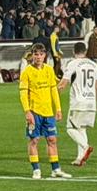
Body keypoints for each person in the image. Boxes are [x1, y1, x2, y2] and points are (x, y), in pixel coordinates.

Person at [19, 45, 68, 179]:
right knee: (34, 140)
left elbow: (53, 90)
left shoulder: (49, 70)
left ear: (45, 56)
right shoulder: (27, 72)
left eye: (41, 54)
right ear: (32, 56)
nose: (38, 57)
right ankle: (36, 170)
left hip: (48, 112)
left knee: (52, 140)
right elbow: (23, 94)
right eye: (36, 54)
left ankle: (56, 169)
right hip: (34, 112)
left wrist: (58, 108)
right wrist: (27, 112)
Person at [59, 41, 97, 166]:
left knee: (70, 128)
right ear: (85, 51)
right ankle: (80, 158)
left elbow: (64, 82)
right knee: (81, 128)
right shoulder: (93, 64)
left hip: (78, 102)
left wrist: (53, 90)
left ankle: (85, 147)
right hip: (91, 102)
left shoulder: (73, 63)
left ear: (74, 51)